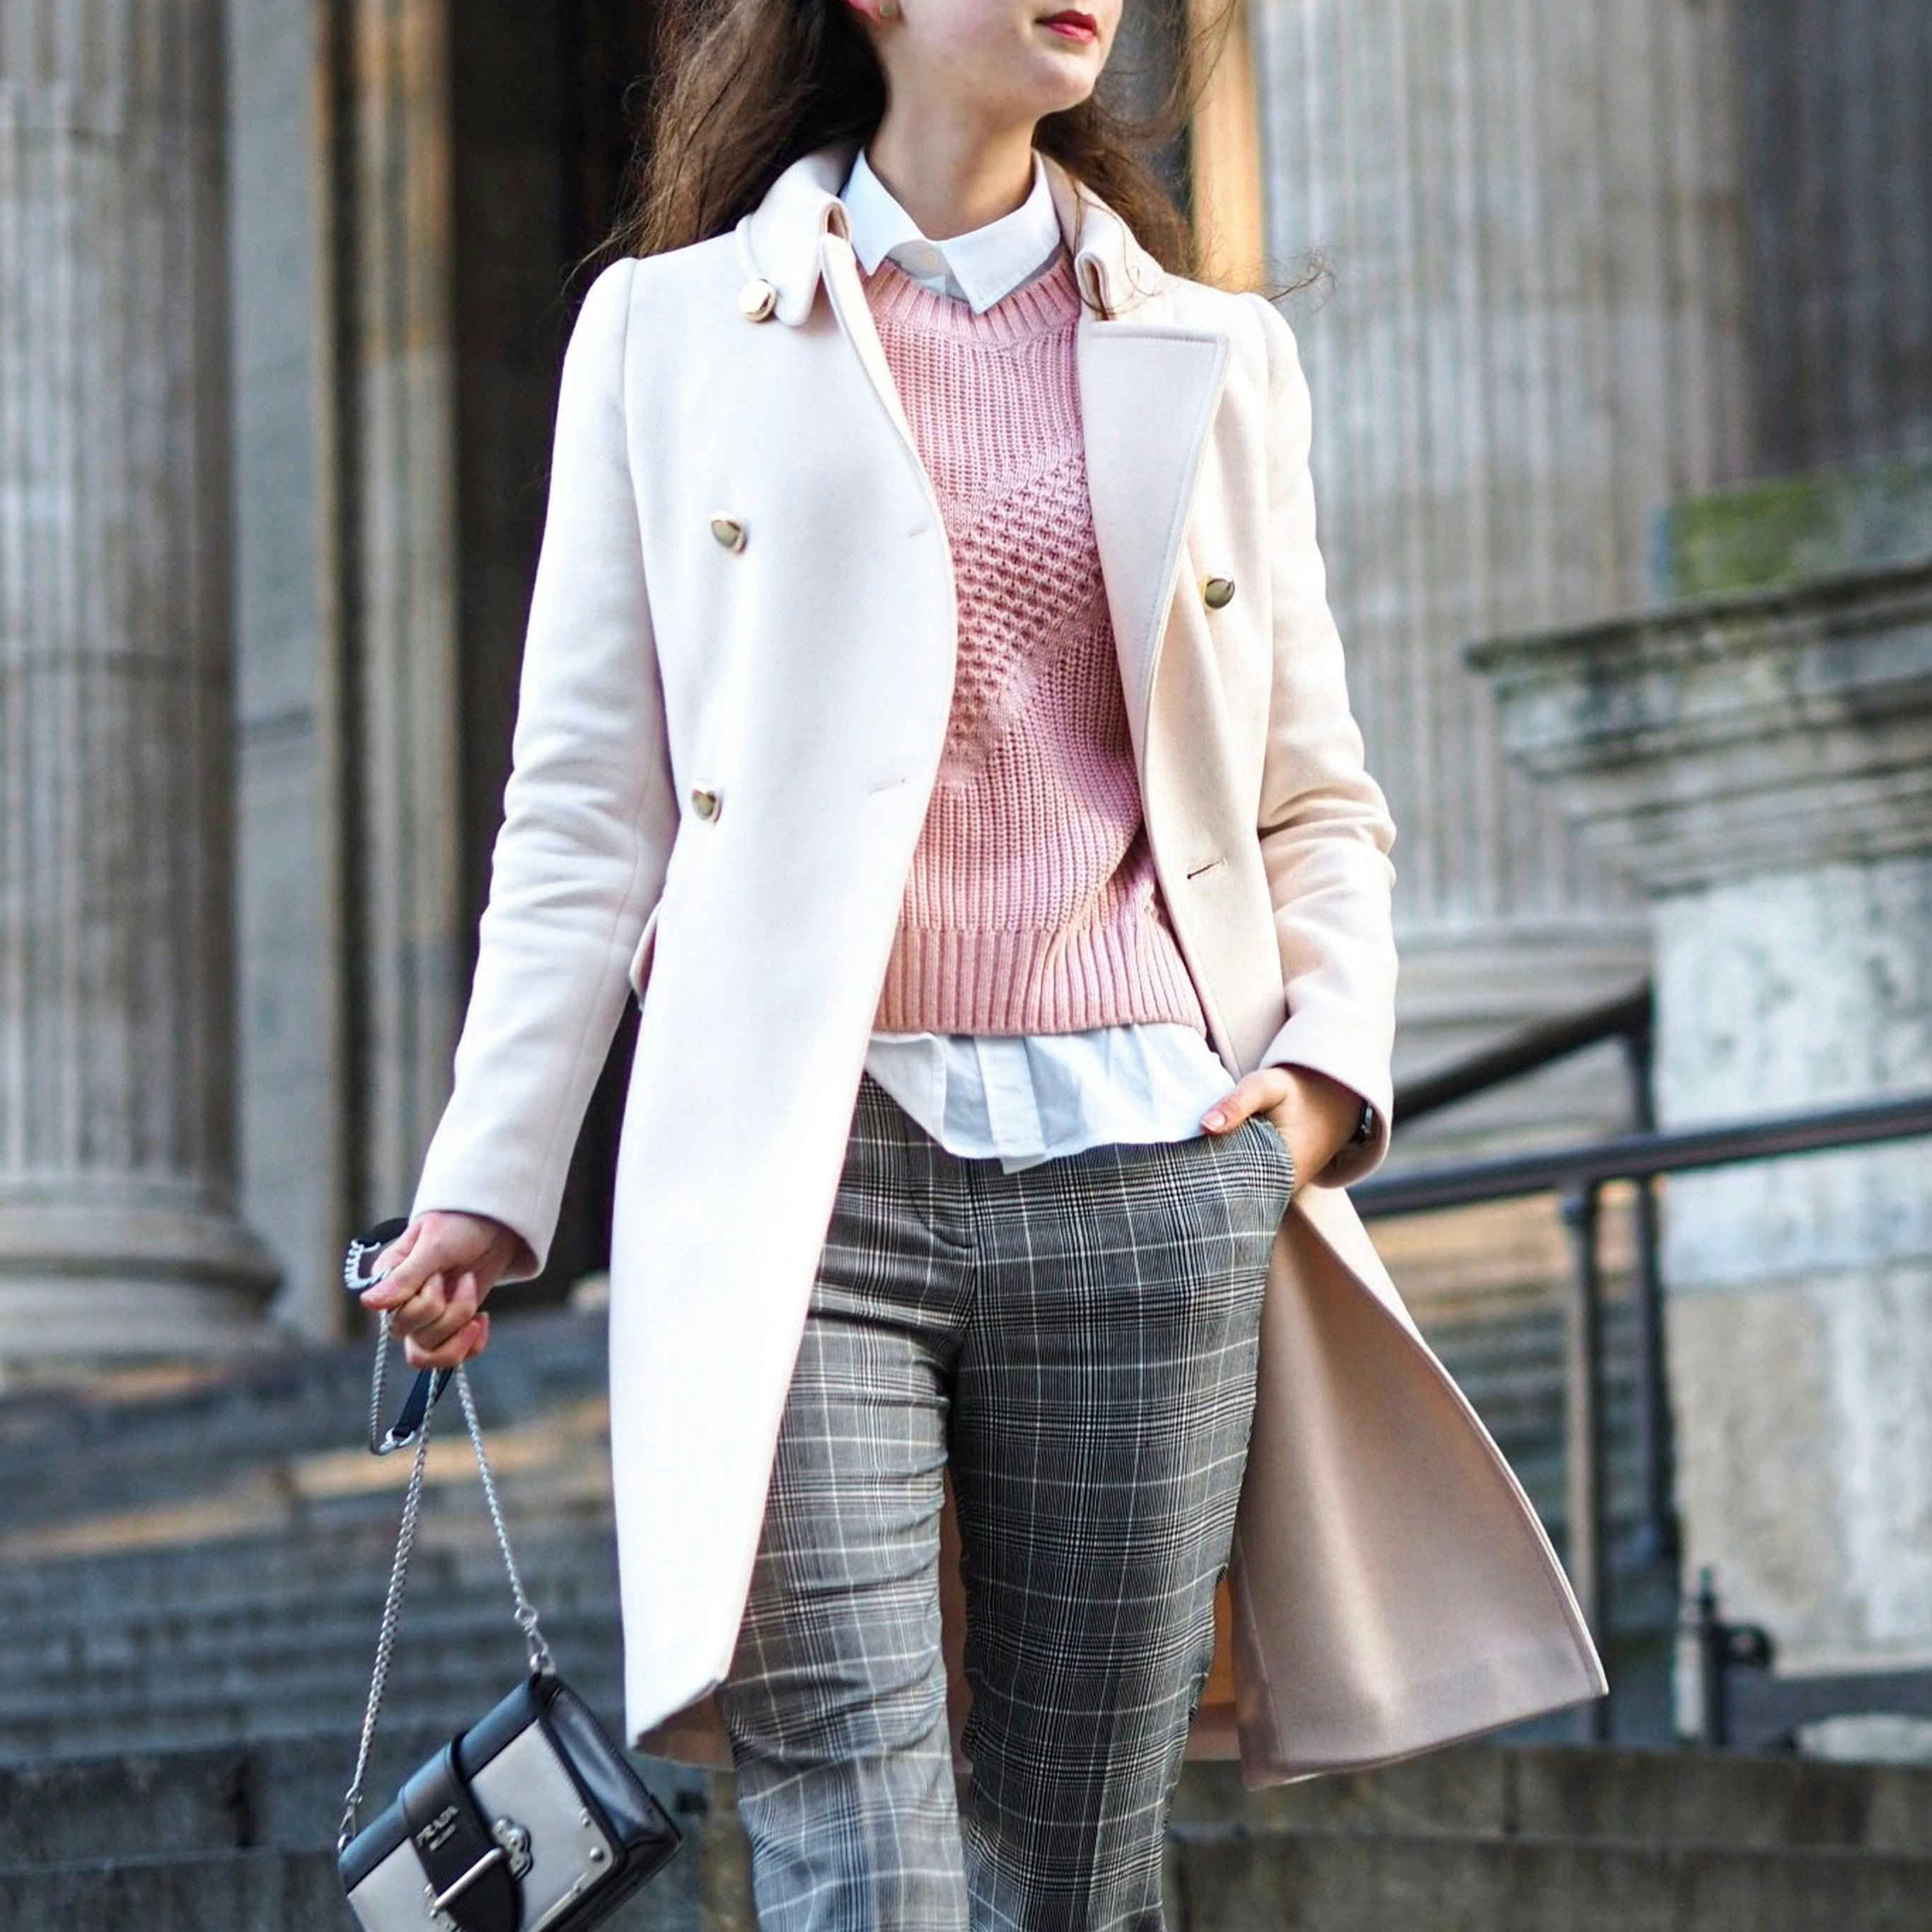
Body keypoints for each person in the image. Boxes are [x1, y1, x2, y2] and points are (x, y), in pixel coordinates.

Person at [358, 2, 1399, 1925]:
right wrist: (486, 1184)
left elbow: (1308, 798)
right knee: (861, 1848)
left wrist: (1315, 1088)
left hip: (1150, 1168)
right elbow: (590, 806)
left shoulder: (1217, 356)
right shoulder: (668, 336)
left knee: (1075, 1870)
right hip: (800, 1182)